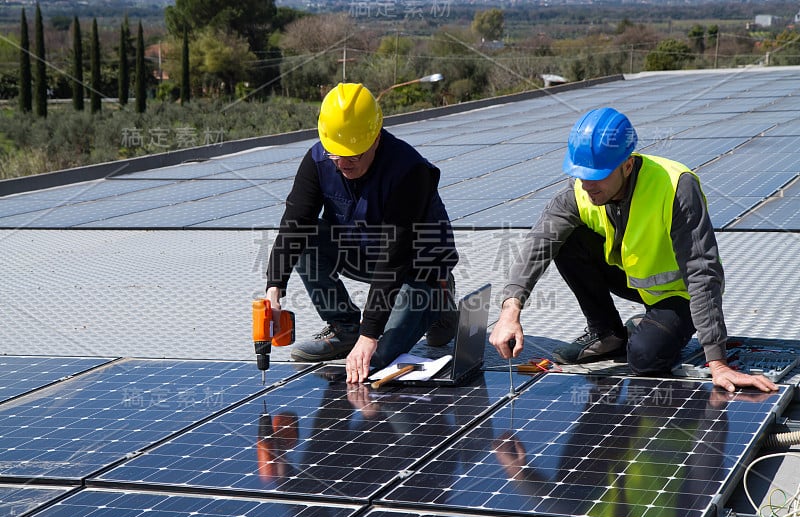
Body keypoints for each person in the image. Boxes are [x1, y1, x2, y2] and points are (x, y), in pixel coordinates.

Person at [489, 107, 777, 393]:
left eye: (597, 175)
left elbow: (701, 272)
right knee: (563, 239)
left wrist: (718, 361)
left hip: (678, 294)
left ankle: (650, 326)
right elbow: (538, 243)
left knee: (645, 358)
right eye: (581, 175)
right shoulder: (582, 188)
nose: (587, 185)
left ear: (627, 165)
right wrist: (510, 311)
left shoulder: (675, 186)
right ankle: (607, 334)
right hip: (632, 278)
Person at [264, 83, 459, 384]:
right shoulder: (318, 161)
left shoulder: (409, 170)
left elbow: (395, 259)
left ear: (376, 138)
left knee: (377, 361)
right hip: (363, 254)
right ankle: (344, 327)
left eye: (354, 155)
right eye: (336, 155)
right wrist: (273, 291)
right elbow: (294, 224)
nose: (343, 163)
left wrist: (370, 336)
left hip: (417, 267)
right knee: (306, 237)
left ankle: (440, 306)